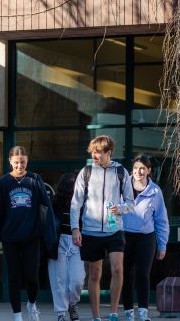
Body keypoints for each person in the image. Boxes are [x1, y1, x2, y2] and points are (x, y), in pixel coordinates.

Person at [0, 146, 56, 321]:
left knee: (31, 277)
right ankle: (17, 315)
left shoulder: (34, 179)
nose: (19, 166)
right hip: (10, 237)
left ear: (27, 162)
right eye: (16, 162)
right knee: (14, 277)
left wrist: (49, 234)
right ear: (10, 161)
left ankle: (31, 304)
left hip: (31, 236)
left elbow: (46, 206)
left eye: (23, 162)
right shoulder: (3, 183)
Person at [70, 135, 135, 321]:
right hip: (90, 230)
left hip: (114, 230)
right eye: (92, 153)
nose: (94, 156)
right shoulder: (86, 171)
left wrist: (120, 209)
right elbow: (76, 203)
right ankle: (96, 317)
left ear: (109, 153)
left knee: (117, 269)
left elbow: (131, 203)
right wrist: (75, 228)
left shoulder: (121, 172)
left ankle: (113, 312)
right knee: (94, 273)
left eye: (98, 153)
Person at [121, 155, 169, 321]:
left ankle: (143, 312)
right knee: (125, 275)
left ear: (148, 170)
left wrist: (162, 245)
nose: (138, 171)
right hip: (124, 236)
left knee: (142, 274)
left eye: (142, 168)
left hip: (146, 238)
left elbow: (161, 220)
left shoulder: (155, 191)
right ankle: (128, 312)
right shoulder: (122, 185)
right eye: (135, 168)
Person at [48, 173, 85, 321]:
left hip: (77, 243)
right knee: (59, 280)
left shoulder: (83, 203)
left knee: (77, 280)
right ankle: (61, 313)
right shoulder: (54, 203)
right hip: (58, 243)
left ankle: (73, 303)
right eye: (72, 189)